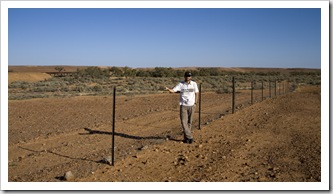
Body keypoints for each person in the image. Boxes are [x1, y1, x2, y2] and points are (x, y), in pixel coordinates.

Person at [165, 71, 199, 144]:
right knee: (184, 122)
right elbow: (173, 90)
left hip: (192, 105)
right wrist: (168, 89)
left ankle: (186, 139)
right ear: (184, 77)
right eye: (186, 76)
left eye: (189, 76)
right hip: (183, 105)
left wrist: (195, 103)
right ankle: (190, 137)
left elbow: (196, 93)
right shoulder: (181, 84)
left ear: (191, 77)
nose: (188, 77)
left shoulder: (194, 84)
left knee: (189, 122)